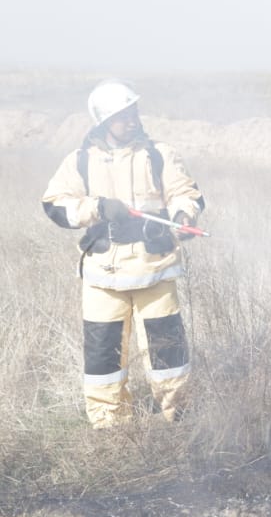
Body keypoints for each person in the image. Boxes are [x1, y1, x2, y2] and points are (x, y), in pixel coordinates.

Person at [41, 80, 206, 428]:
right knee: (103, 356)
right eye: (122, 116)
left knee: (168, 353)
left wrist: (183, 216)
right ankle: (110, 426)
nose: (131, 120)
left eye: (133, 113)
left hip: (156, 268)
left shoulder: (159, 153)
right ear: (103, 121)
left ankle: (179, 418)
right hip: (103, 275)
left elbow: (185, 192)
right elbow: (56, 205)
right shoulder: (80, 161)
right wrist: (97, 208)